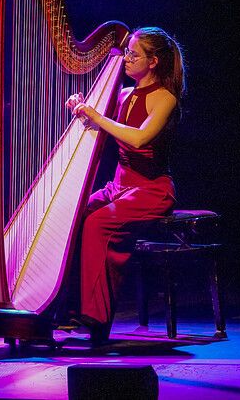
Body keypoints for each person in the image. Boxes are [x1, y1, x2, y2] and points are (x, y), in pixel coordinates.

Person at [65, 26, 186, 345]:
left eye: (134, 54)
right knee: (73, 216)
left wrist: (97, 116)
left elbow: (139, 137)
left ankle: (97, 318)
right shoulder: (121, 94)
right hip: (117, 186)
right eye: (127, 52)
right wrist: (81, 109)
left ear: (154, 61)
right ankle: (64, 307)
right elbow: (104, 129)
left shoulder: (165, 98)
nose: (126, 59)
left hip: (151, 190)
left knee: (99, 222)